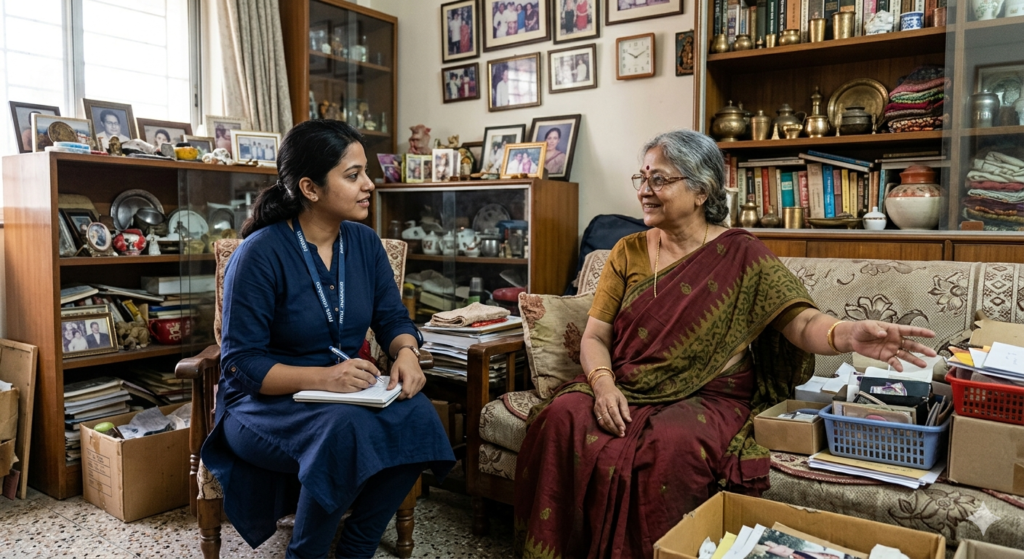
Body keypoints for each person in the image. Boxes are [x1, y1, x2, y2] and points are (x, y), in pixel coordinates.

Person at [513, 129, 937, 559]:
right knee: (562, 416)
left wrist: (848, 334)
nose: (644, 191)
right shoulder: (627, 252)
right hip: (626, 382)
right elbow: (595, 335)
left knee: (669, 446)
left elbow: (802, 322)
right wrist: (603, 386)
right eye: (642, 178)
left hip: (709, 395)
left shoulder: (742, 253)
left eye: (659, 180)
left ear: (701, 190)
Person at [202, 119, 455, 559]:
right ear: (310, 188)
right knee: (344, 430)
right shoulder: (259, 254)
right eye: (353, 175)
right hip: (262, 405)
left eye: (365, 173)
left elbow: (392, 317)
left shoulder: (365, 243)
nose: (369, 185)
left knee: (419, 415)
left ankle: (356, 547)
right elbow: (241, 364)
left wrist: (407, 353)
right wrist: (325, 379)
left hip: (342, 397)